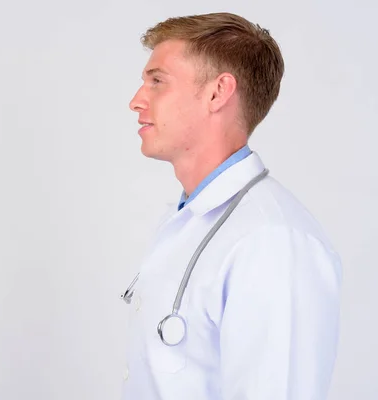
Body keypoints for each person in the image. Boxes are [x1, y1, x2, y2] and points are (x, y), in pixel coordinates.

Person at [120, 12, 342, 400]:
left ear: (217, 92)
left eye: (157, 81)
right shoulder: (187, 221)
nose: (136, 101)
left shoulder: (272, 240)